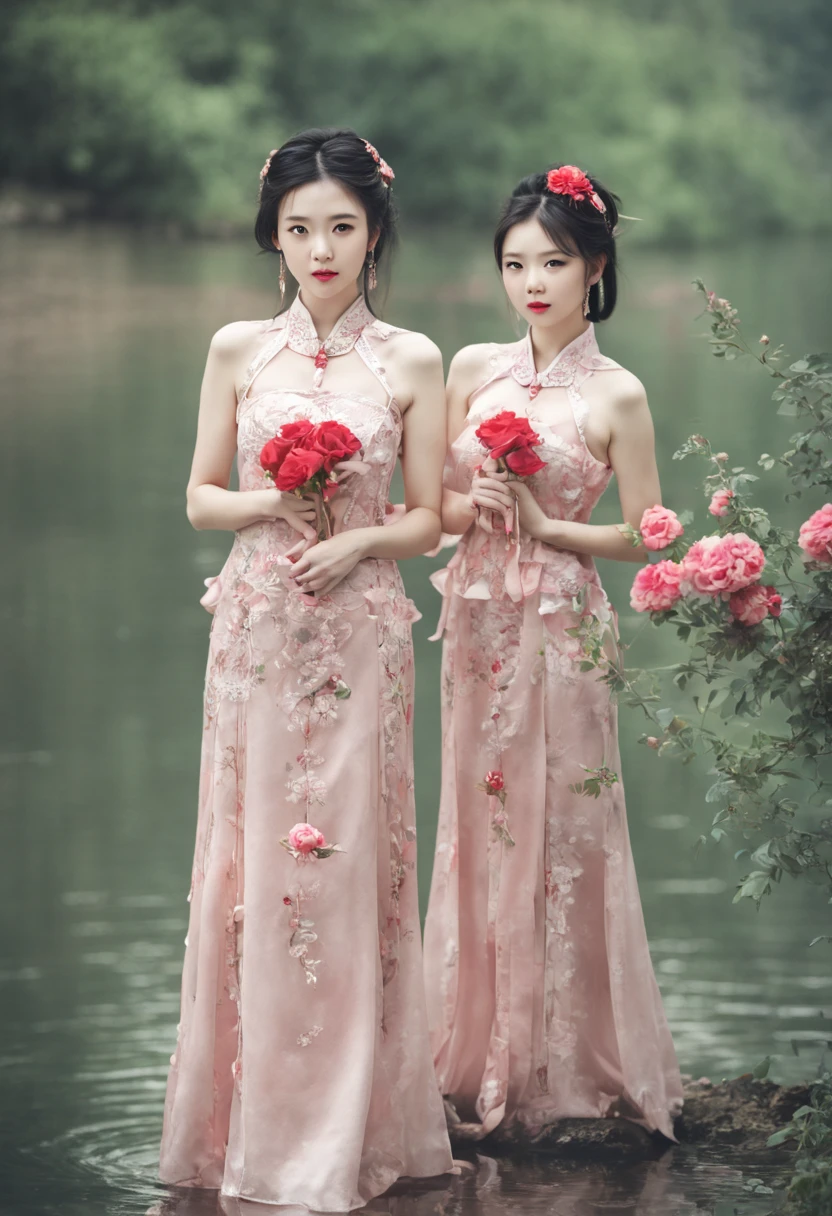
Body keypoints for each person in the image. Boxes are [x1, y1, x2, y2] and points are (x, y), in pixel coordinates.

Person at [159, 127, 453, 1210]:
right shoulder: (240, 348)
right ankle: (249, 1132)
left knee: (349, 867)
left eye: (340, 226)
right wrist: (276, 505)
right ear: (271, 238)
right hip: (257, 630)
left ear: (375, 232)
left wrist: (358, 538)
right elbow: (198, 498)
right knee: (251, 870)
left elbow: (425, 519)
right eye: (297, 229)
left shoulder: (412, 359)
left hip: (364, 624)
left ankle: (354, 1127)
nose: (319, 248)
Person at [422, 164, 684, 1141]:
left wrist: (547, 524)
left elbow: (651, 532)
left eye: (554, 262)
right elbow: (434, 511)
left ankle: (563, 1058)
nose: (532, 281)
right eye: (514, 262)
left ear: (595, 266)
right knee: (476, 819)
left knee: (565, 827)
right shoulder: (468, 371)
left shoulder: (617, 394)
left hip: (565, 622)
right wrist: (472, 507)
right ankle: (469, 1044)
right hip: (477, 618)